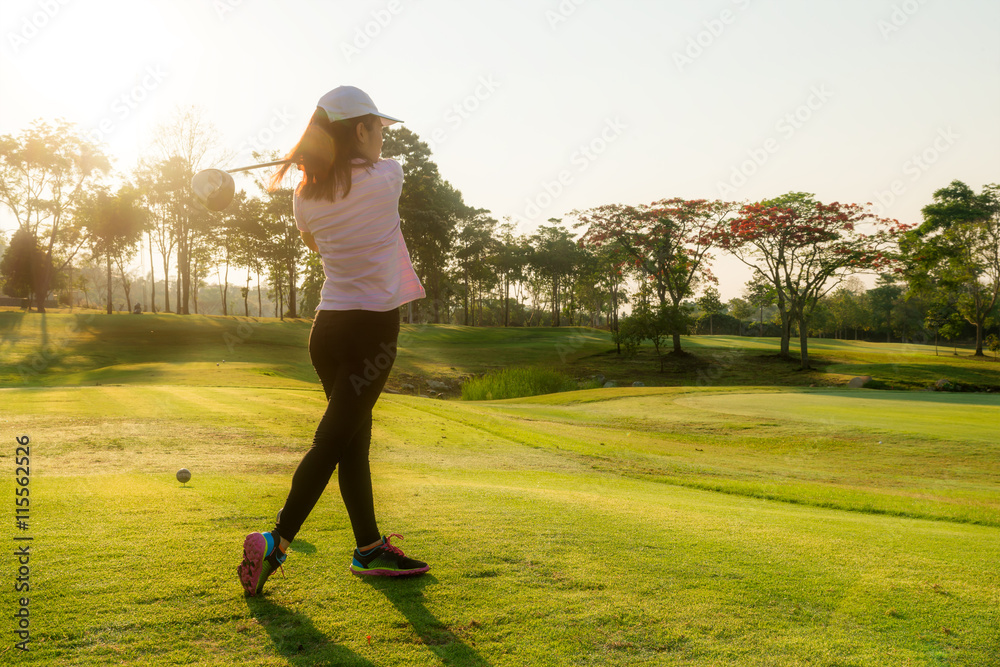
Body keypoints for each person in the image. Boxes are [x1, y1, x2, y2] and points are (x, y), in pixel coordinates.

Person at [237, 86, 429, 597]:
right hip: (372, 334)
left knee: (351, 442)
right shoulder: (389, 176)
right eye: (379, 127)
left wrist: (319, 160)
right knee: (333, 441)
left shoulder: (304, 196)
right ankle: (276, 540)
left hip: (328, 330)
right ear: (360, 130)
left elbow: (313, 240)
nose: (385, 137)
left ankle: (368, 549)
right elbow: (374, 170)